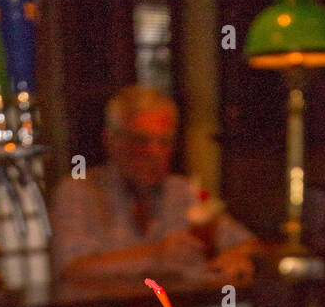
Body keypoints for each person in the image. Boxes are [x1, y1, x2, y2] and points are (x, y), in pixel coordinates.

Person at [50, 85, 258, 286]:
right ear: (111, 141)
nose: (154, 153)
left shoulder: (185, 191)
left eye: (164, 141)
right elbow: (72, 269)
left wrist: (235, 257)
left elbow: (250, 244)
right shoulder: (78, 191)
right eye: (141, 140)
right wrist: (155, 256)